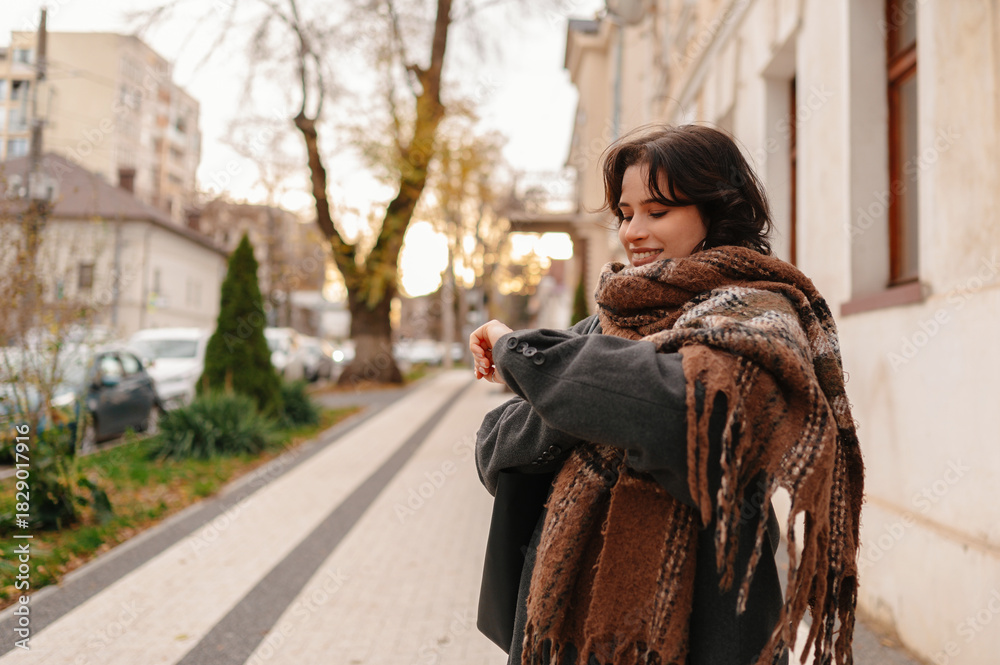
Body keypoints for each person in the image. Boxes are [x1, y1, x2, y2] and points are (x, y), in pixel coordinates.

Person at [469, 124, 864, 665]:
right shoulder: (612, 321)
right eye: (625, 214)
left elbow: (681, 415)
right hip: (564, 628)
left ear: (716, 210)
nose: (633, 232)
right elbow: (493, 448)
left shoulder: (757, 315)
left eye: (658, 212)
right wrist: (576, 393)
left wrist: (531, 362)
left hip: (706, 623)